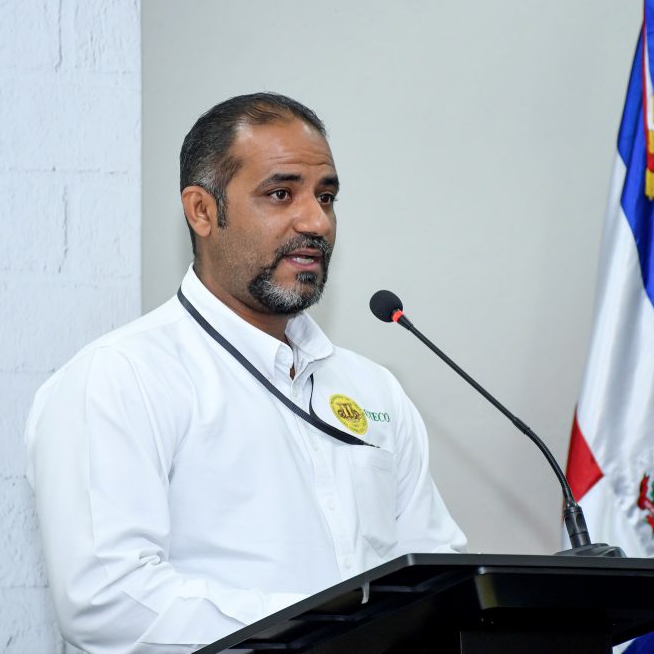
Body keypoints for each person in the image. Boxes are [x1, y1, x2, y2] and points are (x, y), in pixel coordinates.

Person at [25, 93, 466, 653]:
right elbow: (108, 601)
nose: (316, 221)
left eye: (326, 196)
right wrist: (328, 633)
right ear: (202, 211)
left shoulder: (374, 389)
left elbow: (435, 573)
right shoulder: (120, 378)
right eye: (281, 194)